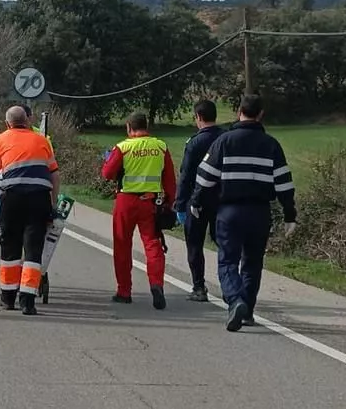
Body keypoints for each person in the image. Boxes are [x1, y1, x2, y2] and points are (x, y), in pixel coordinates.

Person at [189, 93, 296, 331]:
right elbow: (284, 183)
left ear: (239, 112)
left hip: (229, 211)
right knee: (253, 262)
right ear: (260, 115)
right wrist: (290, 214)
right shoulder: (271, 145)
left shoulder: (224, 142)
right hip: (259, 212)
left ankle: (235, 300)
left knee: (227, 260)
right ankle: (247, 310)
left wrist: (196, 201)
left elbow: (205, 176)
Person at [0, 105, 60, 315]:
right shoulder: (42, 140)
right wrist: (53, 206)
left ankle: (8, 298)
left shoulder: (1, 139)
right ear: (27, 121)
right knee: (33, 249)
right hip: (39, 198)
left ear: (7, 123)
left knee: (10, 247)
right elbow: (54, 175)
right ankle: (28, 301)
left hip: (12, 199)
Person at [99, 110, 177, 309]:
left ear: (128, 127)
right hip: (150, 201)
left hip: (126, 200)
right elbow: (169, 179)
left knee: (122, 245)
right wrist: (168, 203)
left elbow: (107, 173)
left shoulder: (123, 147)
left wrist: (109, 161)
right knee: (152, 244)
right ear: (147, 127)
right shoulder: (160, 146)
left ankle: (124, 291)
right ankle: (156, 284)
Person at [174, 99, 224, 302]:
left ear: (199, 117)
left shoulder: (194, 142)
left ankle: (199, 287)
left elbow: (185, 175)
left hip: (197, 200)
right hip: (222, 199)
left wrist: (179, 203)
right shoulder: (225, 138)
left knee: (195, 244)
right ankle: (228, 285)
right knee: (223, 243)